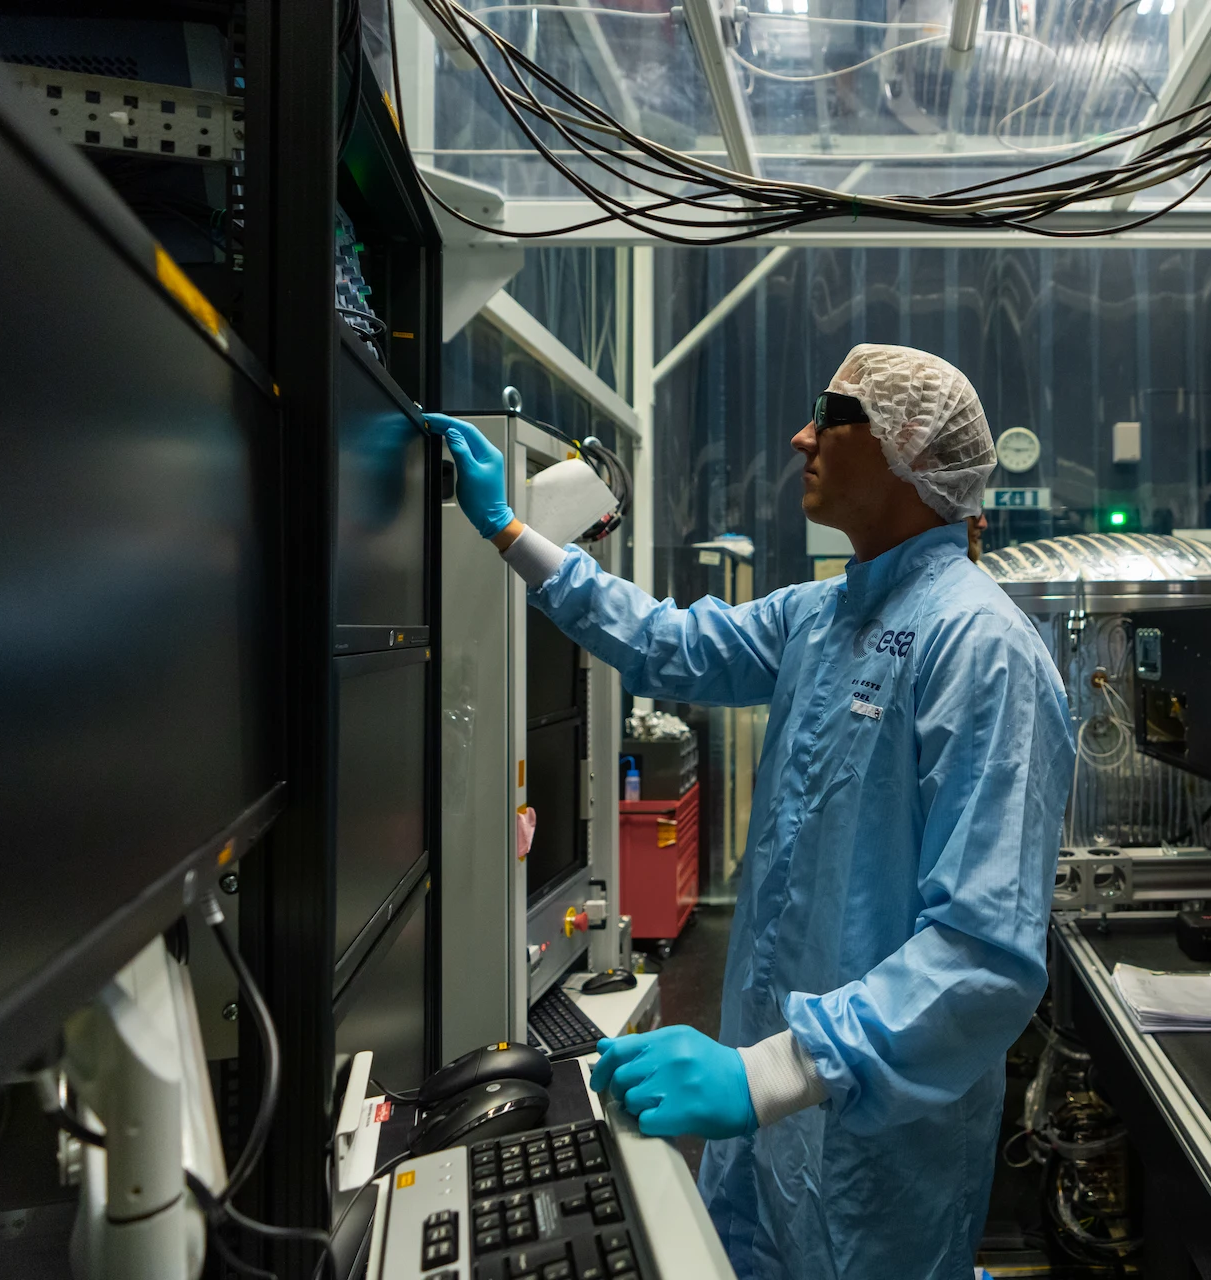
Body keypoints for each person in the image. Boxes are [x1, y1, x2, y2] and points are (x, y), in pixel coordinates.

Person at [429, 343, 1075, 1280]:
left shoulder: (981, 648)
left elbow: (981, 957)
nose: (799, 435)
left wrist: (760, 1075)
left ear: (907, 450)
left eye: (833, 414)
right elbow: (667, 645)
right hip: (764, 1123)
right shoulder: (824, 616)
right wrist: (511, 532)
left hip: (873, 1144)